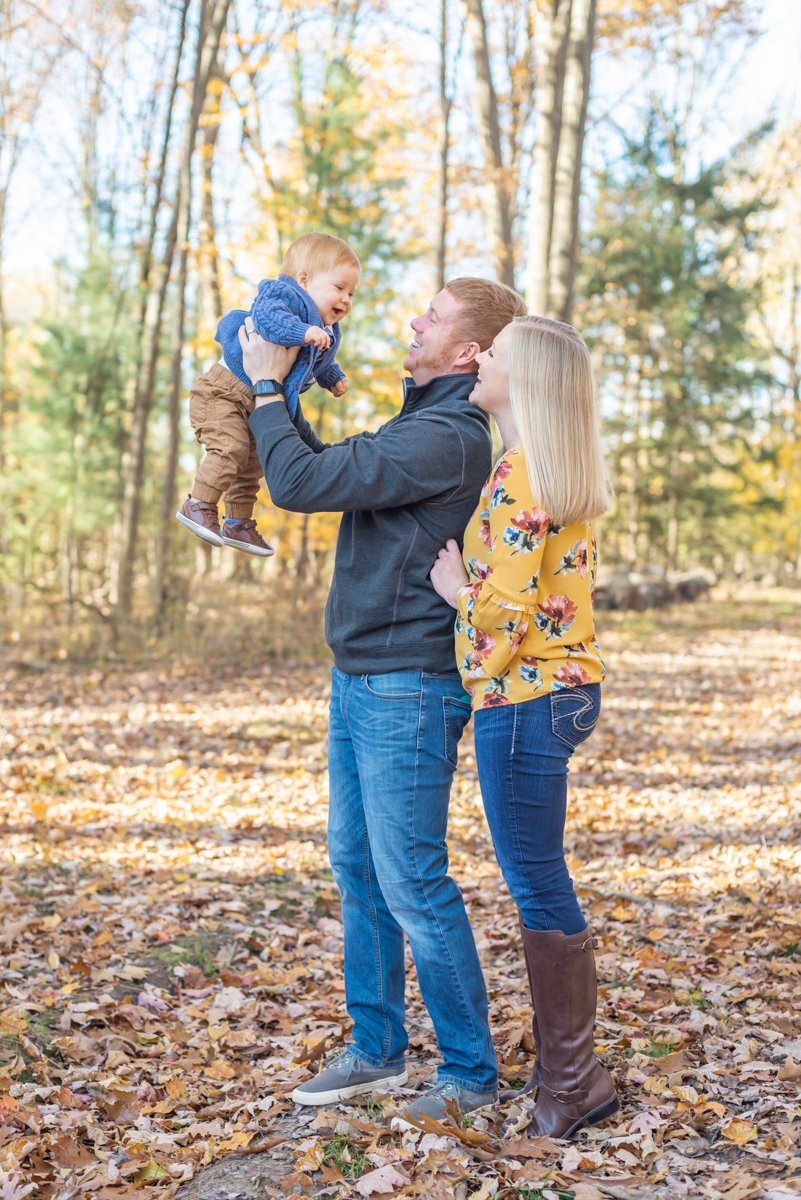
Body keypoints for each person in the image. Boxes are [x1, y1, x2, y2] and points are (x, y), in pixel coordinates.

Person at [236, 278, 528, 1121]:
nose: (412, 322)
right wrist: (276, 389)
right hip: (359, 674)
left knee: (412, 883)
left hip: (407, 687)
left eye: (431, 317)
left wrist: (262, 385)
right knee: (359, 870)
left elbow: (297, 485)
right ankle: (376, 1052)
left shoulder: (446, 436)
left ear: (468, 350)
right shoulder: (418, 423)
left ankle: (470, 1078)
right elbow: (324, 468)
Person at [430, 315, 620, 1138]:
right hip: (562, 690)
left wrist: (453, 591)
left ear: (526, 379)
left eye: (493, 355)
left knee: (537, 880)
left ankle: (572, 1085)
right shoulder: (548, 467)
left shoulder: (518, 474)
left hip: (526, 698)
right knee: (540, 876)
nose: (479, 361)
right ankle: (571, 1074)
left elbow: (502, 619)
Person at [176, 233, 360, 558]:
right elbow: (268, 320)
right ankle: (199, 503)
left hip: (255, 401)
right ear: (304, 280)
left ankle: (237, 522)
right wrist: (302, 332)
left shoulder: (329, 330)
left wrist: (332, 377)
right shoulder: (284, 295)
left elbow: (320, 360)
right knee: (230, 448)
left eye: (351, 293)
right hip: (223, 391)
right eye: (339, 287)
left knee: (253, 462)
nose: (346, 299)